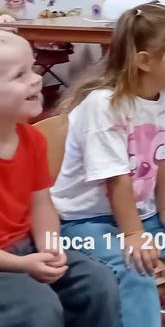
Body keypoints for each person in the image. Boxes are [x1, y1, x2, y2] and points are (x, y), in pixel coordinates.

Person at [51, 4, 165, 327]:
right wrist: (134, 234)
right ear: (145, 61)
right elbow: (116, 178)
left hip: (141, 215)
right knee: (135, 262)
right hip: (83, 225)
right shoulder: (104, 105)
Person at [0, 30, 120, 327]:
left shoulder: (31, 139)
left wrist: (50, 246)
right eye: (19, 75)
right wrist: (22, 264)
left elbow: (42, 204)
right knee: (38, 307)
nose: (36, 79)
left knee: (97, 283)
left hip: (27, 248)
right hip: (8, 262)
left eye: (33, 68)